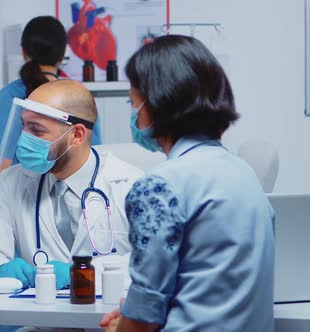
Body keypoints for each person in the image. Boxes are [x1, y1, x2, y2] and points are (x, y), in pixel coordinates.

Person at [99, 35, 275, 332]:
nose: (133, 113)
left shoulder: (159, 187)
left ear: (156, 103)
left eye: (133, 102)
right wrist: (133, 312)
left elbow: (143, 320)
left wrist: (122, 325)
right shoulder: (244, 174)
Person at [0, 79, 143, 292]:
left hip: (108, 320)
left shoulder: (130, 185)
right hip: (40, 320)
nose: (24, 139)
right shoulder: (12, 181)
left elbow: (154, 262)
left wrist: (81, 274)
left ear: (77, 135)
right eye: (23, 127)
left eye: (36, 130)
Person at [0, 16, 102, 197]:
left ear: (23, 52)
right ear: (62, 55)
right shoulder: (79, 99)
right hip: (74, 198)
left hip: (20, 199)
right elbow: (92, 158)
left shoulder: (9, 96)